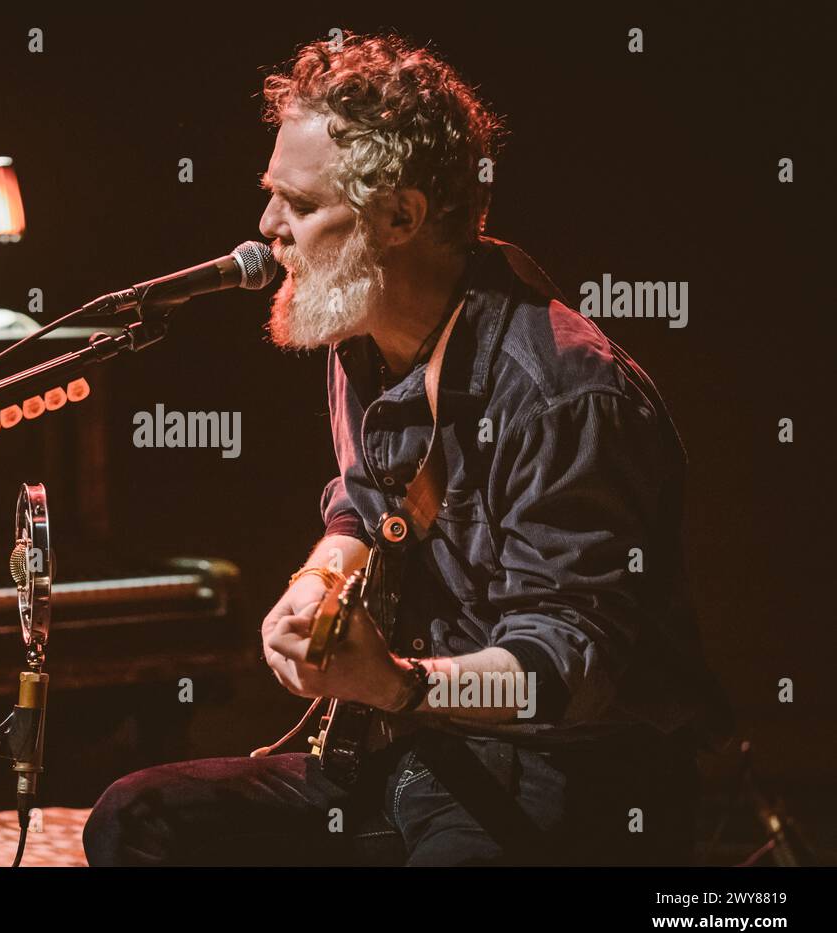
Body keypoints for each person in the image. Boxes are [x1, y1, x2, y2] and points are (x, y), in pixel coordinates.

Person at [83, 31, 733, 866]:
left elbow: (567, 666)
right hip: (412, 746)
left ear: (401, 218)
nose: (267, 226)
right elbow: (363, 500)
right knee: (134, 821)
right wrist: (322, 577)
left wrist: (392, 682)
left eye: (302, 204)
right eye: (271, 194)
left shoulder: (564, 391)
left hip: (562, 772)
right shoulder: (358, 333)